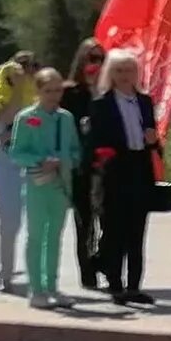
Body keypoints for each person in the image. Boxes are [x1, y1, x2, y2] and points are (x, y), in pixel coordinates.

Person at [84, 48, 163, 305]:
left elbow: (153, 141)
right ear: (110, 73)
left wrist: (153, 142)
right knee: (115, 231)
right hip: (115, 171)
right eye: (118, 70)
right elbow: (94, 142)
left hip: (139, 168)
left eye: (129, 70)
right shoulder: (101, 104)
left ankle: (134, 286)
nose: (124, 75)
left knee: (137, 233)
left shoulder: (144, 101)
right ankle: (115, 284)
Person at [4, 66, 82, 310]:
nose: (54, 95)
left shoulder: (66, 118)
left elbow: (75, 150)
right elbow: (16, 153)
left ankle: (52, 286)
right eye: (48, 90)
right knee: (36, 236)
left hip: (60, 184)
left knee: (55, 237)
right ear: (38, 91)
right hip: (37, 183)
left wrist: (64, 161)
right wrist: (39, 161)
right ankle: (36, 289)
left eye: (57, 90)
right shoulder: (26, 117)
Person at [62, 38, 107, 292]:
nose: (96, 64)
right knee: (85, 221)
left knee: (109, 221)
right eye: (91, 58)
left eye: (101, 59)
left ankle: (100, 260)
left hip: (107, 167)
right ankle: (87, 272)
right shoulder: (70, 93)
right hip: (81, 166)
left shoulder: (109, 92)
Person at [0, 58, 32, 295]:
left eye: (30, 66)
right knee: (10, 221)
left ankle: (37, 274)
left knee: (35, 224)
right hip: (6, 163)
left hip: (33, 162)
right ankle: (6, 274)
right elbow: (1, 118)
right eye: (20, 67)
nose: (25, 71)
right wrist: (17, 91)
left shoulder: (38, 93)